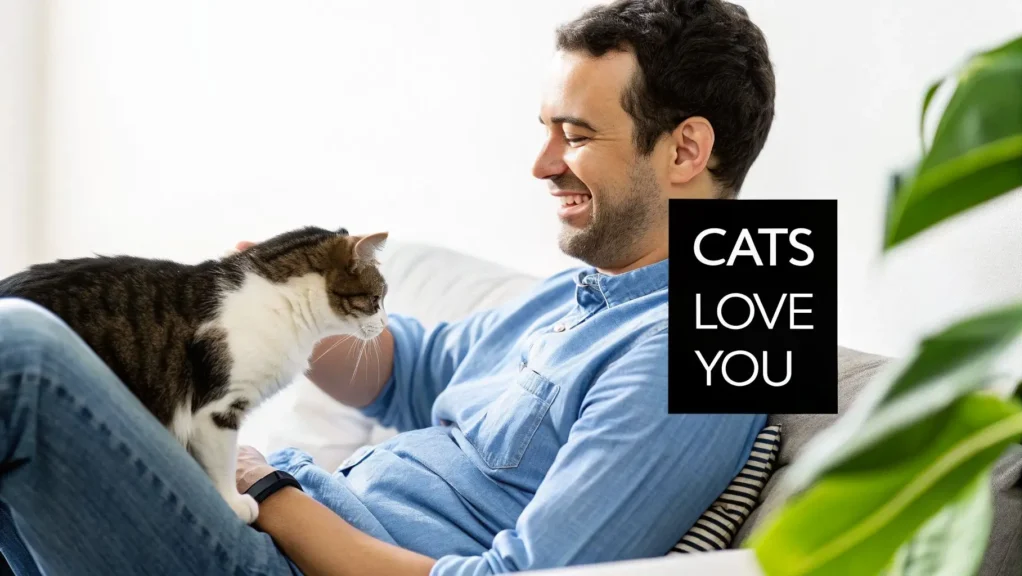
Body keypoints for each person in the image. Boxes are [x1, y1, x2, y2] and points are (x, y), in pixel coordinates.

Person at [0, 0, 775, 574]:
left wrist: (270, 487)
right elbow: (415, 369)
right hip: (265, 519)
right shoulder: (588, 292)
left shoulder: (718, 338)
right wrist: (290, 310)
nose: (540, 166)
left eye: (573, 136)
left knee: (25, 355)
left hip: (279, 554)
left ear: (686, 151)